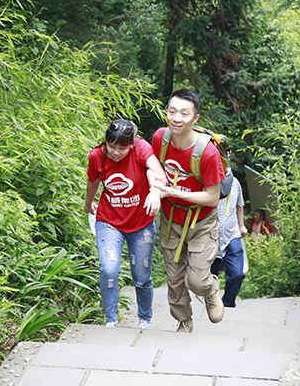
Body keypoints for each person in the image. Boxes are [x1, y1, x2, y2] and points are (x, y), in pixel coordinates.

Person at [152, 89, 226, 333]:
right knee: (174, 277)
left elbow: (212, 197)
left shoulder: (208, 152)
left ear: (195, 118)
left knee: (196, 280)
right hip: (171, 218)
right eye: (172, 111)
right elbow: (152, 167)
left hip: (201, 221)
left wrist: (173, 192)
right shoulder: (160, 139)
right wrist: (155, 188)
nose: (176, 118)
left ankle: (210, 290)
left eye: (184, 113)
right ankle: (184, 321)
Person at [84, 119, 166, 330]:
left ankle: (145, 319)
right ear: (106, 142)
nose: (116, 152)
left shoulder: (141, 149)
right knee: (109, 268)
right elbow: (93, 182)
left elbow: (160, 175)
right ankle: (111, 320)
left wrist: (155, 192)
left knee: (141, 275)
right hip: (109, 220)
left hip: (141, 223)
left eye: (122, 147)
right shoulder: (96, 156)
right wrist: (88, 204)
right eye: (112, 146)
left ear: (131, 144)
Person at [211, 175, 248, 308]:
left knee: (237, 273)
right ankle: (212, 302)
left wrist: (241, 225)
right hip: (211, 236)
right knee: (209, 276)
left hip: (232, 235)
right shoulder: (207, 181)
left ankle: (227, 302)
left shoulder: (235, 183)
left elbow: (240, 204)